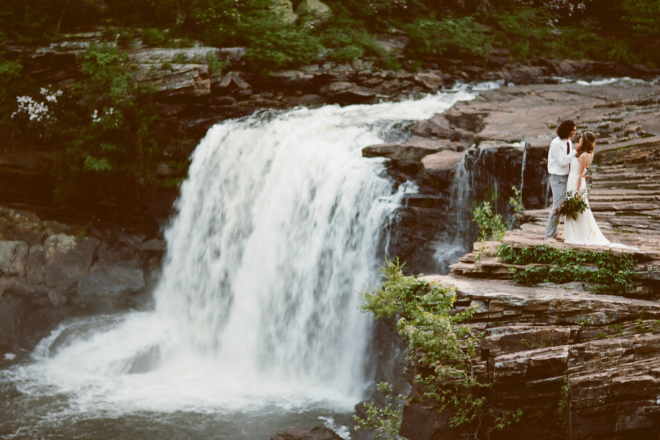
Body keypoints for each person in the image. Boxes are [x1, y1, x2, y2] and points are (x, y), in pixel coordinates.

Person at [563, 132, 611, 245]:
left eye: (581, 137)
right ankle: (572, 233)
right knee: (579, 209)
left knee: (577, 208)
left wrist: (577, 191)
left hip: (576, 182)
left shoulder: (584, 155)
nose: (579, 138)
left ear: (584, 141)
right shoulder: (588, 153)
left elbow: (580, 174)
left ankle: (578, 235)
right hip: (576, 181)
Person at [545, 119, 577, 242]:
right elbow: (563, 162)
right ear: (566, 130)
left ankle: (554, 232)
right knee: (557, 206)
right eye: (572, 130)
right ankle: (549, 235)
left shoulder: (568, 141)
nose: (574, 133)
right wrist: (576, 151)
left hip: (566, 176)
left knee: (562, 206)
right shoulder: (556, 143)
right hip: (557, 177)